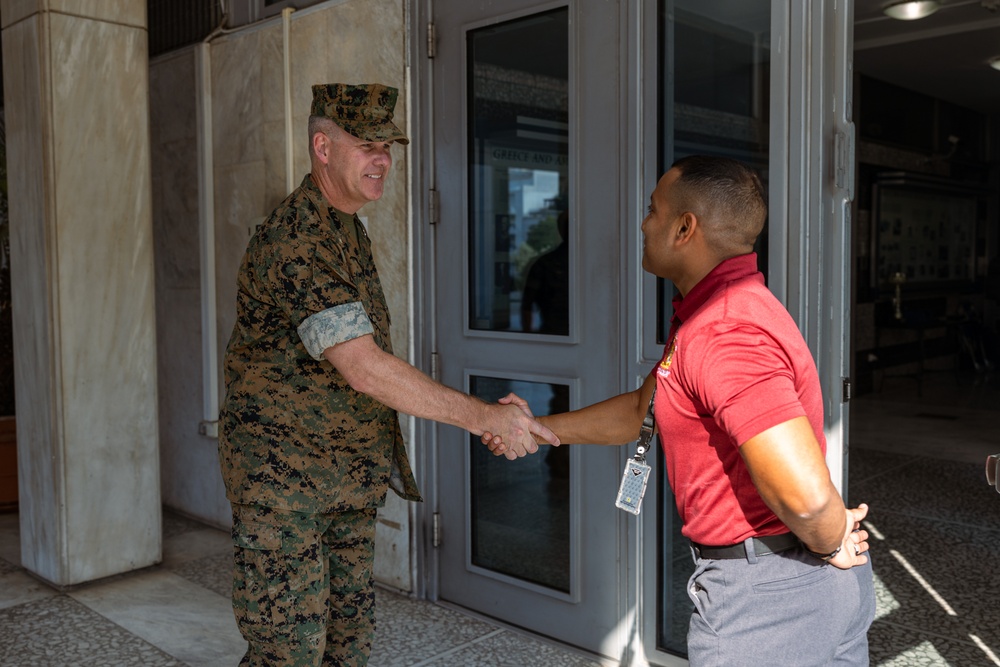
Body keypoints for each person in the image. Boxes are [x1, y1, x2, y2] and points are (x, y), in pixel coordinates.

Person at [218, 82, 558, 667]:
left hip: (343, 474)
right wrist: (485, 417)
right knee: (289, 649)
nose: (383, 159)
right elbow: (365, 369)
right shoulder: (300, 238)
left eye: (388, 146)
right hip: (284, 482)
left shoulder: (346, 225)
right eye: (367, 145)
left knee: (347, 643)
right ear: (322, 148)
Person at [486, 156, 875, 665]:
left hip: (772, 600)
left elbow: (803, 499)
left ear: (685, 228)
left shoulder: (726, 331)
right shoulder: (713, 312)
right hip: (786, 586)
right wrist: (535, 430)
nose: (644, 222)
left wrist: (829, 542)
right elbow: (639, 410)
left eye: (653, 210)